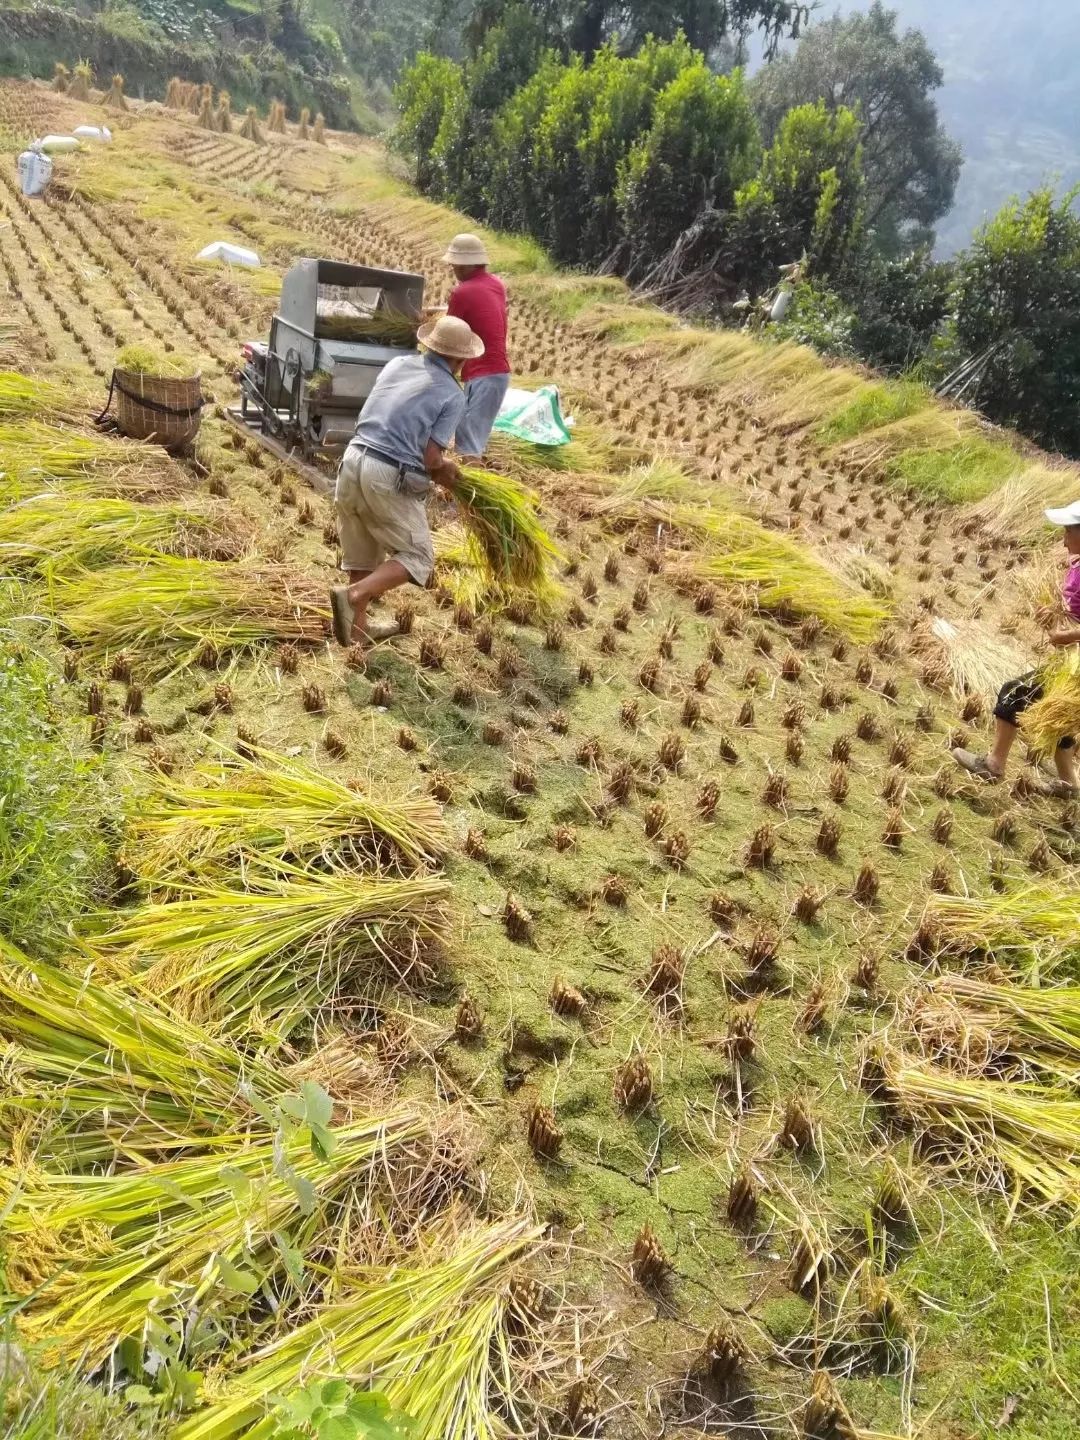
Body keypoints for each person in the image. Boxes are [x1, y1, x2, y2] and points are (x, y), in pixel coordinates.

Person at [329, 314, 484, 649]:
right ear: (460, 360)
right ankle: (353, 595)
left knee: (362, 557)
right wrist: (449, 470)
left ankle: (357, 634)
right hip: (386, 474)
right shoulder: (453, 395)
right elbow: (430, 459)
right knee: (419, 558)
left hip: (352, 459)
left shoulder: (398, 364)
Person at [952, 502, 1080, 797]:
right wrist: (1052, 614)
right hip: (1069, 662)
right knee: (1058, 716)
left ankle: (994, 765)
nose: (1063, 539)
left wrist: (1066, 635)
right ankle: (1069, 785)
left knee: (1014, 693)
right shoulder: (1077, 564)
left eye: (1068, 531)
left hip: (1076, 666)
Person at [443, 233, 510, 461]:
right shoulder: (496, 285)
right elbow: (478, 313)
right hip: (497, 374)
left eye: (454, 265)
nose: (453, 269)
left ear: (463, 265)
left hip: (484, 375)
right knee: (469, 437)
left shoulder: (462, 292)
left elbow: (448, 334)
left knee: (468, 446)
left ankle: (472, 483)